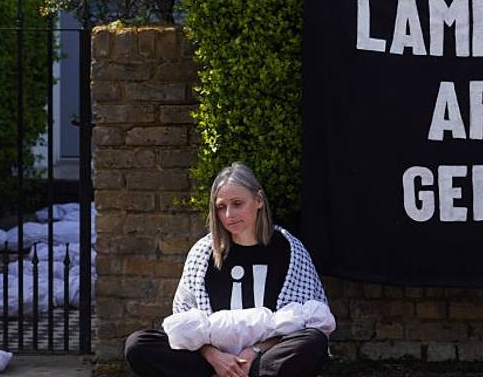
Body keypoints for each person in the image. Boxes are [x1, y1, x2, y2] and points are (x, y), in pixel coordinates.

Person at [125, 162, 332, 377]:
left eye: (237, 204)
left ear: (259, 200)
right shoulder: (203, 252)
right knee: (139, 344)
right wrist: (214, 357)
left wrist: (254, 351)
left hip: (264, 357)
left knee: (313, 341)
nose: (229, 214)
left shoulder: (288, 248)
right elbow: (184, 322)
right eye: (221, 207)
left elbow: (306, 319)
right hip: (210, 359)